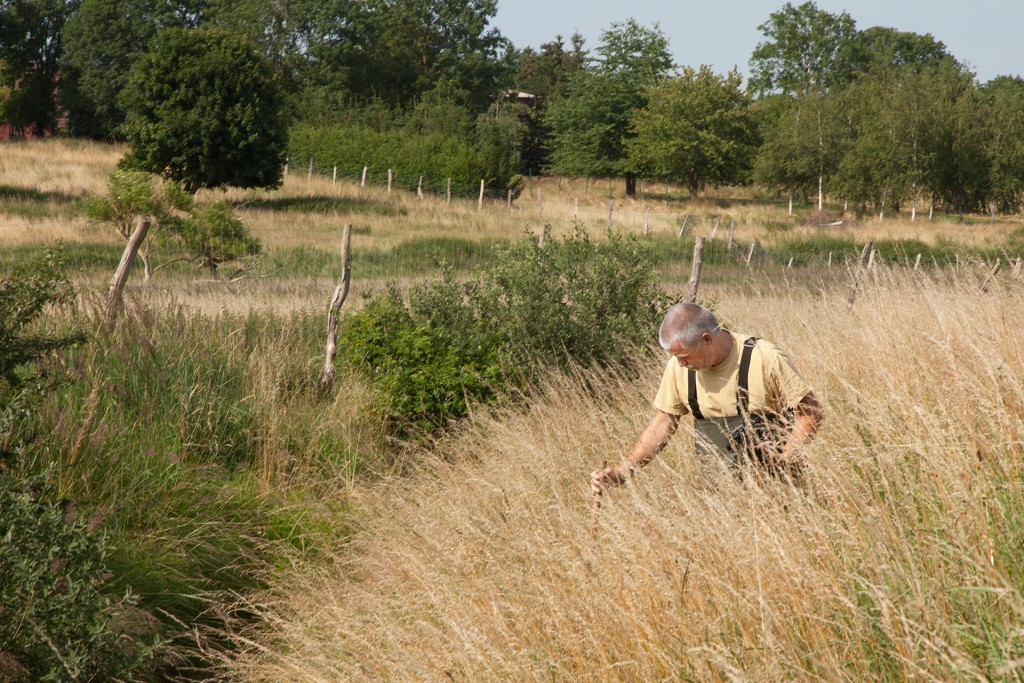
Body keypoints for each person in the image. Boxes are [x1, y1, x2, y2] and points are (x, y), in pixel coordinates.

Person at [590, 303, 823, 494]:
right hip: (719, 499)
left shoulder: (764, 357)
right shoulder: (679, 367)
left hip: (777, 491)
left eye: (684, 356)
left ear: (707, 339)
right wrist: (622, 473)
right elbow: (663, 422)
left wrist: (785, 457)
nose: (680, 364)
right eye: (676, 357)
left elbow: (811, 411)